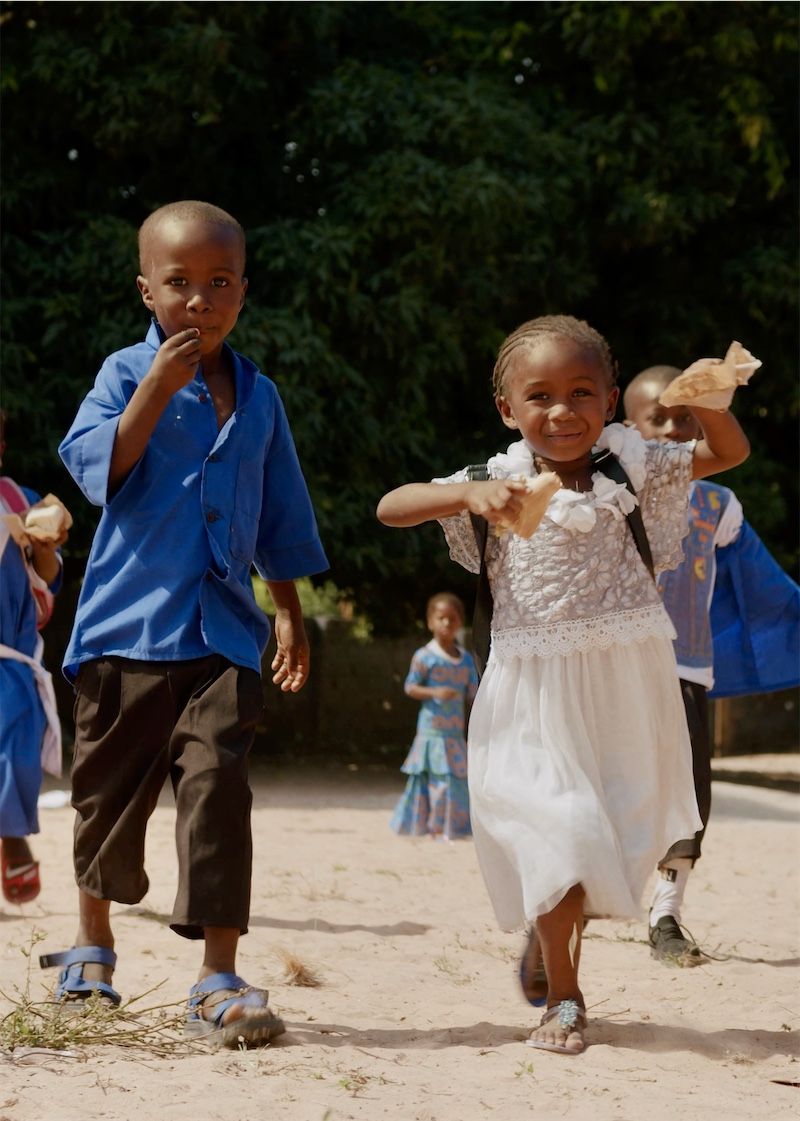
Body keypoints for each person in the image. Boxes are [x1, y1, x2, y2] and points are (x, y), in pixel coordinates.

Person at [376, 315, 750, 1055]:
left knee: (610, 838)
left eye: (582, 392)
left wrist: (709, 398)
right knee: (561, 827)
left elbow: (727, 451)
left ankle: (554, 940)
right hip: (531, 689)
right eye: (540, 395)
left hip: (625, 685)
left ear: (610, 400)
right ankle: (567, 999)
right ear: (507, 409)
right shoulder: (498, 478)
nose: (562, 410)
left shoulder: (636, 467)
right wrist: (468, 497)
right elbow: (392, 507)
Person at [43, 200, 328, 1048]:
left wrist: (287, 611)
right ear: (147, 291)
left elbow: (278, 512)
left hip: (224, 635)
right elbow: (97, 471)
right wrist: (156, 390)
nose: (200, 299)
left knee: (219, 790)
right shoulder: (124, 373)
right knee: (105, 796)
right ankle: (92, 946)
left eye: (219, 282)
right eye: (180, 283)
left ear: (242, 290)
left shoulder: (260, 396)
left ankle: (218, 975)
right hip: (125, 627)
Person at [623, 365, 800, 967]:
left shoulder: (720, 505)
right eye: (657, 418)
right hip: (617, 666)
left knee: (689, 794)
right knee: (606, 784)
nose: (673, 429)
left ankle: (666, 912)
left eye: (685, 418)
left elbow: (759, 584)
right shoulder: (608, 494)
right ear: (627, 429)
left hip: (688, 668)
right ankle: (575, 901)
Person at [0, 411, 68, 905]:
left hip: (10, 654)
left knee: (17, 751)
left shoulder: (19, 502)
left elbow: (49, 577)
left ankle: (10, 834)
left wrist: (44, 544)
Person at [390, 592, 479, 840]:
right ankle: (430, 826)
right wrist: (435, 692)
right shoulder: (424, 657)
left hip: (454, 735)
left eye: (452, 618)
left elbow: (474, 695)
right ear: (430, 622)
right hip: (431, 734)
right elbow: (410, 686)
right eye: (441, 618)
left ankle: (454, 827)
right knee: (430, 780)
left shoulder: (466, 661)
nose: (447, 623)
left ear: (460, 622)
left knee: (455, 781)